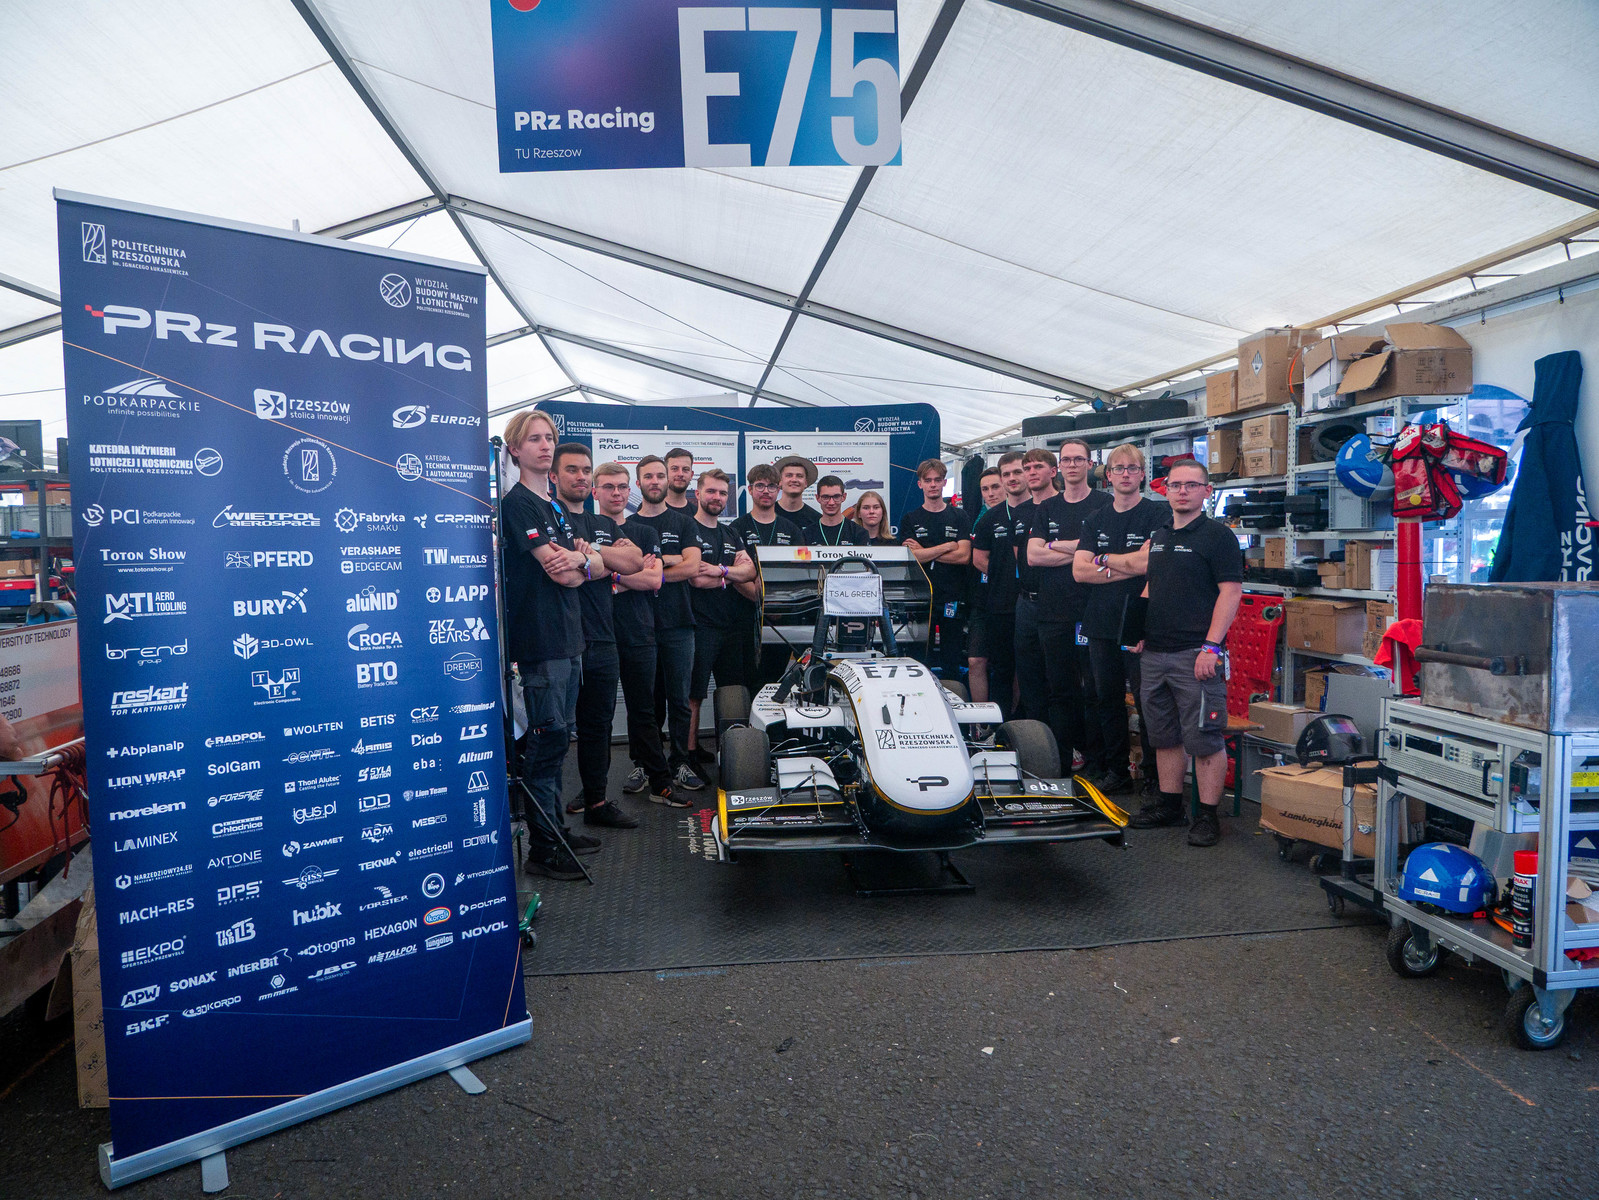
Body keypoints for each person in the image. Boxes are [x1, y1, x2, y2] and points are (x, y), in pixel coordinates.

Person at [499, 410, 607, 881]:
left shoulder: (554, 506)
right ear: (515, 450)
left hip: (569, 639)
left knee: (559, 740)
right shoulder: (518, 504)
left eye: (549, 438)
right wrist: (584, 563)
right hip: (541, 643)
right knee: (546, 744)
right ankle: (543, 849)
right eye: (534, 439)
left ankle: (557, 830)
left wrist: (584, 561)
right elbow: (564, 572)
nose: (545, 446)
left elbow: (590, 567)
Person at [1124, 458, 1244, 847]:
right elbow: (1151, 586)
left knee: (1205, 738)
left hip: (1196, 655)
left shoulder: (1218, 536)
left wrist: (1211, 646)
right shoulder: (1159, 536)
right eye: (1175, 485)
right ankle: (1170, 806)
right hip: (1154, 653)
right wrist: (1136, 631)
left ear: (1207, 491)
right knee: (1163, 737)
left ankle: (1207, 816)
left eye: (1191, 485)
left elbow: (1231, 592)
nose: (1182, 491)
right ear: (1166, 491)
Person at [552, 444, 645, 829]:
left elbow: (635, 561)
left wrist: (590, 554)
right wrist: (603, 563)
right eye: (571, 469)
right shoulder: (550, 519)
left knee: (599, 725)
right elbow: (562, 570)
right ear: (554, 476)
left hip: (603, 640)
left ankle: (596, 803)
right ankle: (551, 819)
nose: (580, 476)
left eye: (585, 470)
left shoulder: (602, 524)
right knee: (556, 731)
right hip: (561, 641)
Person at [1073, 443, 1170, 795]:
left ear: (1142, 474)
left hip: (1142, 622)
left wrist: (1102, 559)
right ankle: (1117, 771)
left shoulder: (1158, 514)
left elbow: (1151, 564)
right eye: (1119, 468)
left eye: (1132, 468)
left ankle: (1154, 777)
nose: (1125, 474)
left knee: (1148, 702)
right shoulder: (1095, 519)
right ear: (1108, 475)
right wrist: (1128, 564)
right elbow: (1079, 572)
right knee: (1106, 699)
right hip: (1100, 620)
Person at [595, 463, 681, 809]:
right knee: (597, 717)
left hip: (639, 632)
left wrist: (610, 574)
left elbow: (653, 579)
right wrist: (628, 566)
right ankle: (593, 792)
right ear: (595, 491)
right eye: (608, 487)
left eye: (621, 487)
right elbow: (582, 576)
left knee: (644, 711)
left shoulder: (644, 532)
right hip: (597, 634)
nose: (616, 493)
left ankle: (660, 782)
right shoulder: (585, 528)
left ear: (629, 490)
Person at [1023, 440, 1111, 776]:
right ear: (1059, 466)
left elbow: (1109, 552)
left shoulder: (1104, 504)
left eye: (1078, 459)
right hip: (1052, 612)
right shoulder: (1047, 508)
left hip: (1092, 611)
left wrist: (1056, 546)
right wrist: (1084, 551)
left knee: (1095, 691)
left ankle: (1097, 762)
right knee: (1060, 691)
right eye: (1066, 460)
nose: (1072, 465)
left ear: (1089, 464)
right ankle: (1061, 763)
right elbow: (1034, 556)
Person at [630, 454, 704, 794]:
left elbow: (693, 567)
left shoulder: (685, 522)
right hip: (639, 625)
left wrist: (654, 570)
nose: (655, 481)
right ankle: (644, 764)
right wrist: (672, 562)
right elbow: (623, 569)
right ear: (639, 482)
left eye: (660, 475)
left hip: (679, 623)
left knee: (679, 698)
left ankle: (680, 762)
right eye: (649, 476)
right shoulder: (626, 526)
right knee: (644, 702)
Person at [686, 470, 757, 771]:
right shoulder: (687, 529)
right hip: (699, 626)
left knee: (732, 692)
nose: (717, 498)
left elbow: (750, 571)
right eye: (711, 491)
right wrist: (730, 574)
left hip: (730, 626)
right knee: (694, 695)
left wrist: (721, 572)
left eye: (722, 493)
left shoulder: (730, 533)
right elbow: (696, 579)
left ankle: (731, 752)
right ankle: (688, 753)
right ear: (698, 493)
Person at [729, 463, 803, 688]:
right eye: (760, 485)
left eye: (771, 486)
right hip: (744, 617)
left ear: (778, 490)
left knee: (774, 682)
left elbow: (799, 573)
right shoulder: (736, 528)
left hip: (781, 619)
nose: (766, 491)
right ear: (750, 490)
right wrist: (760, 600)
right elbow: (733, 574)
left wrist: (776, 604)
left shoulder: (791, 529)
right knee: (746, 681)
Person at [899, 459, 973, 682]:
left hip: (952, 597)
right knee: (921, 659)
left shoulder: (960, 516)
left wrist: (925, 551)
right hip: (921, 600)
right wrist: (947, 546)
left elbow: (964, 556)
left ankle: (953, 697)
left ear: (944, 483)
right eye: (928, 480)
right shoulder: (910, 519)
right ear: (920, 484)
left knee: (952, 659)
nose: (933, 484)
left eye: (937, 480)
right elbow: (912, 558)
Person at [970, 454, 1029, 719]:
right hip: (999, 605)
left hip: (1035, 603)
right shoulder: (988, 519)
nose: (992, 492)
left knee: (1028, 668)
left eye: (1017, 472)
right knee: (1002, 667)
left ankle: (1024, 722)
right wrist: (1005, 578)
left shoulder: (1042, 509)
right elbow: (978, 559)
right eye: (1007, 474)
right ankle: (997, 724)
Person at [963, 467, 1005, 704]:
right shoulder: (976, 519)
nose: (990, 493)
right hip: (981, 601)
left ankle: (1010, 717)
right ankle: (980, 720)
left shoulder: (1018, 516)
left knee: (1009, 664)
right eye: (985, 489)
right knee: (975, 661)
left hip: (1010, 601)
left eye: (995, 487)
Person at [805, 474, 870, 547]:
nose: (831, 503)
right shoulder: (806, 534)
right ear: (817, 498)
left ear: (844, 497)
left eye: (836, 497)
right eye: (825, 497)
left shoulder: (859, 533)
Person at [774, 455, 823, 540]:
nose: (794, 480)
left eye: (799, 476)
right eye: (789, 475)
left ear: (806, 483)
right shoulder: (767, 514)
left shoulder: (816, 520)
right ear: (780, 481)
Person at [664, 447, 696, 511]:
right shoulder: (651, 511)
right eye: (674, 469)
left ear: (691, 475)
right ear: (665, 472)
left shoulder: (697, 514)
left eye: (685, 469)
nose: (680, 474)